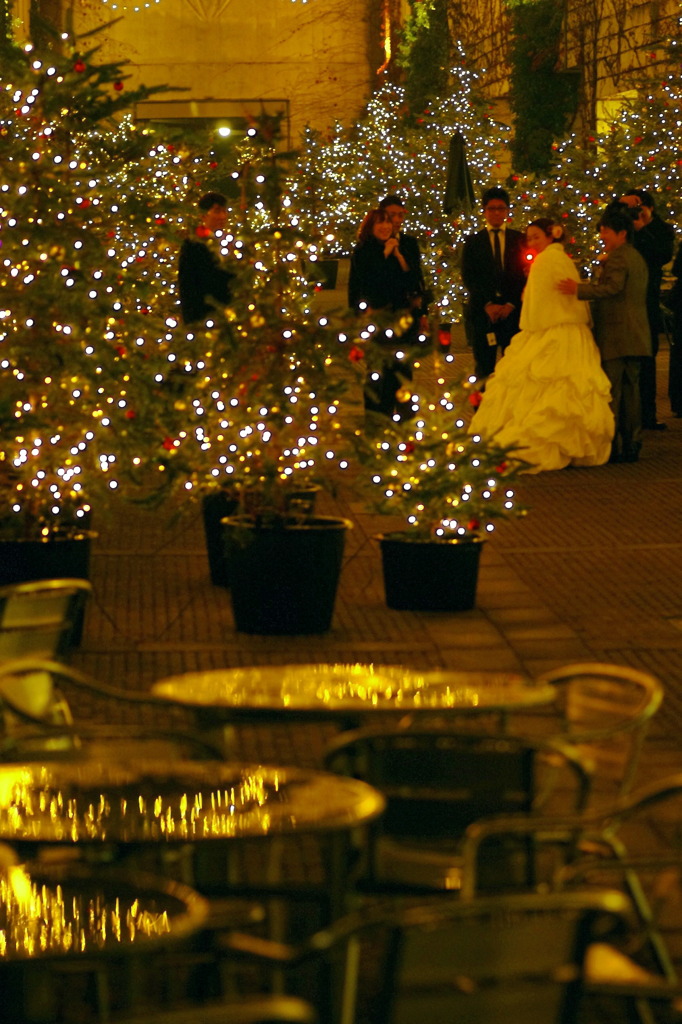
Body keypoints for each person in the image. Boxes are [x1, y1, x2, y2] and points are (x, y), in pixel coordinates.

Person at [470, 218, 614, 472]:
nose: (532, 242)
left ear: (551, 236)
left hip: (550, 330)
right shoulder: (560, 259)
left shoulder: (546, 260)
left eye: (537, 236)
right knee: (571, 389)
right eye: (530, 238)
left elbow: (535, 305)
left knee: (546, 385)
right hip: (568, 331)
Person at [558, 204, 650, 463]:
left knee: (615, 393)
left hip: (618, 335)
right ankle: (632, 443)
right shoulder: (636, 256)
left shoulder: (620, 257)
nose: (603, 236)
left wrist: (579, 289)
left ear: (622, 234)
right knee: (632, 392)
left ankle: (616, 445)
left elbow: (612, 288)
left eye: (606, 231)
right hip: (636, 334)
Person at [348, 207, 421, 419]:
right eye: (380, 223)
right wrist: (385, 254)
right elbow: (367, 285)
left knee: (402, 372)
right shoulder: (364, 250)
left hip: (402, 323)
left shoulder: (400, 247)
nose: (385, 226)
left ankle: (405, 421)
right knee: (378, 373)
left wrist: (398, 256)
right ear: (371, 227)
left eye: (388, 222)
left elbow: (411, 281)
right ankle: (377, 419)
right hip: (377, 322)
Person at [620, 190, 675, 428]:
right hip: (624, 300)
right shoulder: (622, 227)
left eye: (638, 206)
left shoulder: (661, 230)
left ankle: (648, 414)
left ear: (649, 207)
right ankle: (626, 414)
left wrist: (642, 228)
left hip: (647, 299)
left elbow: (661, 255)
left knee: (648, 355)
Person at [461, 186, 527, 381]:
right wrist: (487, 304)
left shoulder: (520, 239)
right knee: (483, 369)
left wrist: (510, 304)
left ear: (507, 211)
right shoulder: (473, 242)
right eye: (492, 208)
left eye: (501, 208)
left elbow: (524, 276)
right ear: (484, 211)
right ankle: (482, 410)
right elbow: (469, 276)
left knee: (515, 367)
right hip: (483, 315)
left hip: (513, 314)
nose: (497, 213)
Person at [178, 192, 234, 325]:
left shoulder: (229, 243)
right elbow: (187, 287)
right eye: (217, 211)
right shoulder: (193, 244)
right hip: (204, 316)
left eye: (224, 212)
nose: (223, 216)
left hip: (229, 316)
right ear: (203, 215)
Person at [378, 194, 430, 334]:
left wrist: (422, 313)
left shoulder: (409, 243)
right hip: (381, 311)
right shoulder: (373, 244)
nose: (397, 220)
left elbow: (417, 278)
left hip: (407, 309)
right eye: (392, 215)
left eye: (400, 215)